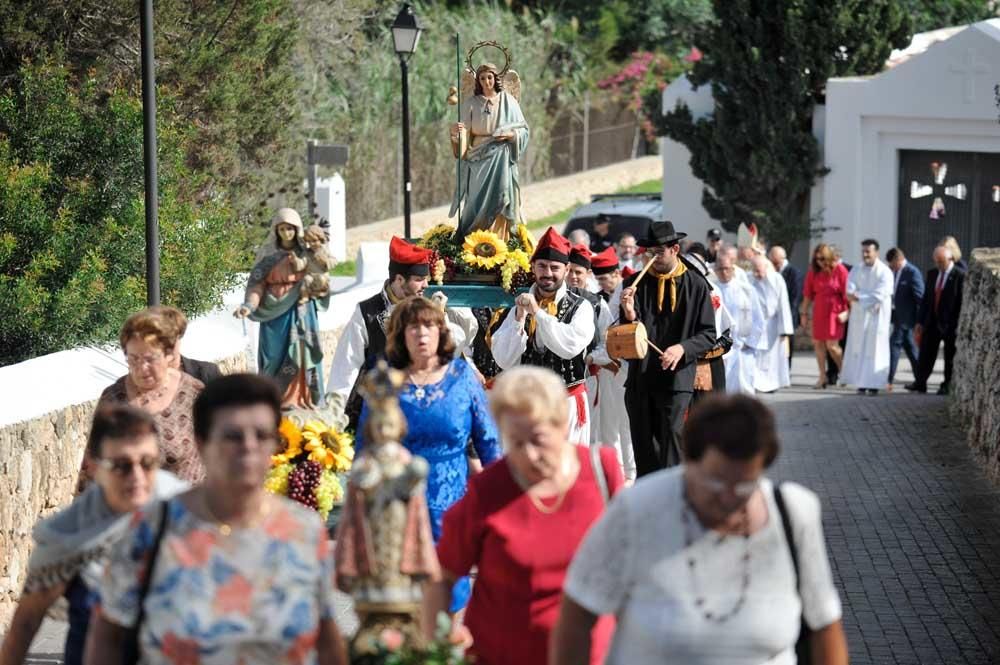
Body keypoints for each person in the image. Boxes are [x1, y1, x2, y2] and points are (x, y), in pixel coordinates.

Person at [552, 394, 849, 665]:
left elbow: (823, 622)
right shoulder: (636, 510)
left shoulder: (794, 512)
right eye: (715, 482)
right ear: (689, 461)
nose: (729, 496)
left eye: (746, 485)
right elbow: (578, 612)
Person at [86, 374, 349, 665]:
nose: (249, 446)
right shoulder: (153, 528)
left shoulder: (304, 530)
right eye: (233, 436)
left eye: (261, 435)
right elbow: (107, 638)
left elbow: (325, 636)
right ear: (201, 442)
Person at [426, 367, 624, 665]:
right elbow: (442, 577)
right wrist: (433, 649)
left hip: (590, 653)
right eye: (516, 443)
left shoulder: (601, 470)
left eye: (538, 439)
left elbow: (630, 557)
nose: (529, 454)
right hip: (504, 654)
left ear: (561, 425)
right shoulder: (487, 491)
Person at [0, 406, 187, 665]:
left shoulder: (187, 508)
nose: (137, 477)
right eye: (122, 466)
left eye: (147, 463)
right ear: (96, 467)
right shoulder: (66, 534)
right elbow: (27, 621)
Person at [356, 296, 502, 610]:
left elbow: (489, 441)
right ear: (399, 334)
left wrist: (503, 497)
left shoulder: (462, 377)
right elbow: (365, 444)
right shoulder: (385, 380)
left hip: (451, 506)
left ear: (441, 331)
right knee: (400, 602)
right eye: (412, 327)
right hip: (396, 504)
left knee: (449, 599)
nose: (421, 334)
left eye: (429, 325)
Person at [326, 236, 475, 429]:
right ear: (399, 279)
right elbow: (345, 369)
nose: (426, 286)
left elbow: (452, 352)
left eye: (426, 279)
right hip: (379, 418)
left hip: (424, 412)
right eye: (419, 279)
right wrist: (332, 418)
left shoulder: (431, 311)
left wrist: (440, 321)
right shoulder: (367, 312)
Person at [619, 221, 716, 474]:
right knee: (643, 446)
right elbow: (629, 337)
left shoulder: (696, 284)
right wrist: (629, 315)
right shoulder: (634, 284)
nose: (653, 258)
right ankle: (648, 504)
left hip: (677, 380)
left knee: (673, 441)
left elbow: (708, 334)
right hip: (641, 378)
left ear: (674, 249)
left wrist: (682, 349)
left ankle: (673, 499)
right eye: (649, 252)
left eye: (659, 252)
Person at [492, 228, 596, 444]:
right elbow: (503, 359)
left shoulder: (581, 307)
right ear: (532, 267)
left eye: (554, 267)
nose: (547, 273)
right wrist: (519, 319)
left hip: (566, 403)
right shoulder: (518, 307)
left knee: (568, 468)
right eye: (542, 266)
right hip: (529, 404)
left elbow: (568, 346)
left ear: (566, 269)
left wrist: (537, 314)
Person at [89, 308, 205, 485]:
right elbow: (93, 464)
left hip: (188, 507)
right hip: (132, 509)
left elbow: (219, 452)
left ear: (168, 354)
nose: (142, 368)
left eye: (150, 359)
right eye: (133, 359)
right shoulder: (113, 398)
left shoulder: (193, 392)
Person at [234, 208, 327, 407]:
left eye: (291, 229)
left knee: (303, 354)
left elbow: (322, 276)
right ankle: (274, 401)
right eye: (282, 229)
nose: (287, 233)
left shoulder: (305, 252)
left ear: (297, 229)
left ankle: (303, 400)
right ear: (276, 230)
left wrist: (316, 282)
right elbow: (256, 284)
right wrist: (249, 305)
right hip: (273, 315)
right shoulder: (268, 254)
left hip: (301, 311)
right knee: (273, 357)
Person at [450, 62, 529, 240]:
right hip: (477, 156)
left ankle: (501, 239)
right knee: (474, 201)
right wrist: (455, 134)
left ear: (496, 78)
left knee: (502, 194)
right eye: (483, 78)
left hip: (501, 155)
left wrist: (511, 134)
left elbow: (523, 129)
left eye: (490, 77)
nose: (487, 82)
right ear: (478, 81)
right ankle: (474, 238)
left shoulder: (508, 100)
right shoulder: (471, 103)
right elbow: (464, 135)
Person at [590, 247, 636, 482]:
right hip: (606, 369)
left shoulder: (626, 293)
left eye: (604, 278)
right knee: (608, 422)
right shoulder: (601, 297)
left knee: (625, 422)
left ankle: (630, 470)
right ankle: (614, 470)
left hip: (623, 365)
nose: (601, 283)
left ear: (616, 274)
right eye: (598, 279)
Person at [906, 246, 964, 395]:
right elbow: (926, 299)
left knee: (950, 357)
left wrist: (958, 324)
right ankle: (920, 383)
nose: (938, 265)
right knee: (926, 353)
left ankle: (947, 385)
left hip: (950, 324)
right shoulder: (932, 274)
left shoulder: (960, 276)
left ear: (950, 259)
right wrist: (920, 321)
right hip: (932, 322)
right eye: (936, 262)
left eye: (941, 262)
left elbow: (962, 302)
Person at [841, 240, 894, 395]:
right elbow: (849, 290)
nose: (865, 255)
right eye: (863, 251)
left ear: (876, 252)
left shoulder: (885, 272)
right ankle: (861, 382)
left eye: (868, 252)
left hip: (877, 319)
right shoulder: (856, 269)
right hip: (859, 318)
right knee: (860, 350)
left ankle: (875, 384)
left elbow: (880, 294)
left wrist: (859, 296)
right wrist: (862, 297)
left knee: (876, 350)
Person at [712, 253, 764, 394]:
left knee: (744, 387)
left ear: (733, 269)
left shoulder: (747, 290)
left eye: (727, 268)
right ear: (715, 271)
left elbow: (758, 319)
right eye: (720, 269)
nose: (724, 272)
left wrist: (749, 342)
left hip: (743, 348)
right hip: (721, 349)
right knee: (723, 387)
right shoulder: (712, 290)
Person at [801, 244, 849, 389]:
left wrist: (847, 312)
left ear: (829, 257)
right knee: (818, 344)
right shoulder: (813, 272)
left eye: (822, 258)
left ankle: (844, 372)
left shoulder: (840, 270)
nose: (819, 262)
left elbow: (847, 294)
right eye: (816, 259)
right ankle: (822, 376)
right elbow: (808, 295)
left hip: (835, 312)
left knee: (832, 346)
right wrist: (803, 313)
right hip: (819, 311)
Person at [750, 256, 793, 393]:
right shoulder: (748, 278)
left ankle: (772, 384)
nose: (757, 274)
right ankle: (756, 383)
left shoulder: (777, 279)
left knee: (772, 357)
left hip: (772, 325)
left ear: (766, 267)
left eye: (759, 271)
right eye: (754, 271)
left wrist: (784, 330)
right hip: (755, 325)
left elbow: (783, 305)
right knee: (756, 356)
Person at [150, 305, 223, 384]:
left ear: (180, 335)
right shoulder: (141, 376)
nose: (165, 345)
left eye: (170, 338)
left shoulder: (208, 372)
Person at [886, 247, 924, 388]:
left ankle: (887, 380)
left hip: (908, 319)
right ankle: (921, 381)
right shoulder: (894, 272)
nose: (890, 266)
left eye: (892, 263)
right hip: (897, 317)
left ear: (898, 259)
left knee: (894, 345)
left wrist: (920, 320)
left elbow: (921, 297)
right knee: (911, 349)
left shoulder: (912, 272)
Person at [769, 246, 803, 370]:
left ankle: (785, 369)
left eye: (776, 262)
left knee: (787, 345)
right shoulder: (771, 272)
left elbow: (796, 297)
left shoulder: (794, 272)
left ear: (783, 259)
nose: (773, 265)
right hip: (773, 316)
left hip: (789, 315)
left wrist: (786, 316)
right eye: (771, 262)